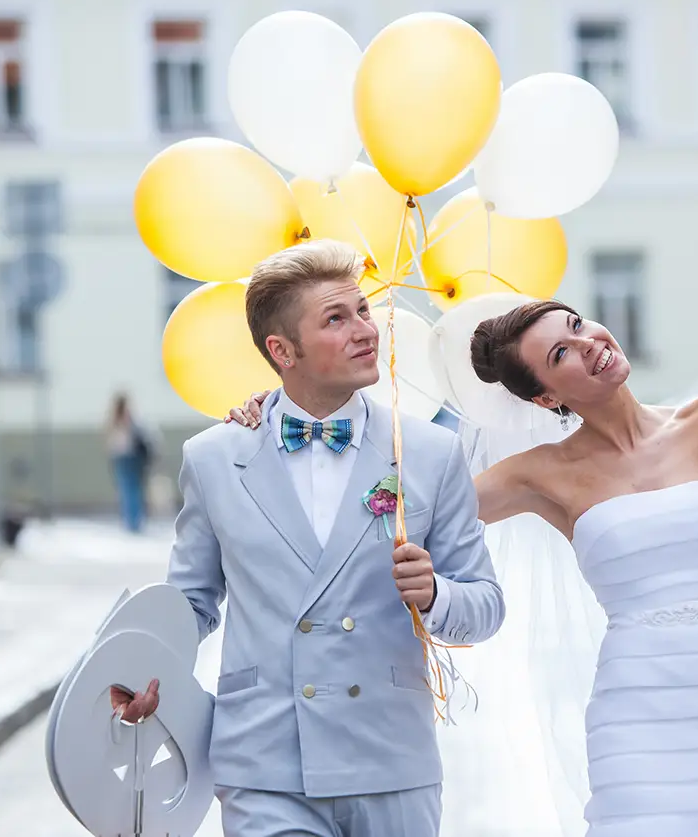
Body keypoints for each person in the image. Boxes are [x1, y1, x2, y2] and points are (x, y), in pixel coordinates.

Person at [228, 157, 698, 835]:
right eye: (561, 353)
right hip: (641, 709)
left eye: (576, 324)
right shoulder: (542, 475)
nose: (589, 342)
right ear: (545, 395)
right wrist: (286, 414)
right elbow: (384, 510)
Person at [111, 239, 506, 837]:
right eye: (335, 319)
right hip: (263, 762)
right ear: (281, 349)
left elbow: (486, 605)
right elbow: (190, 602)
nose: (364, 330)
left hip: (390, 759)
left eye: (363, 312)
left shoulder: (429, 453)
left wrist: (434, 595)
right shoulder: (214, 458)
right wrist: (142, 668)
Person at [106, 392, 153, 533]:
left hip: (123, 457)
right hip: (130, 456)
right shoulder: (130, 418)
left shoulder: (114, 418)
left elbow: (110, 440)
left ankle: (131, 520)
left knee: (127, 489)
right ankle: (134, 521)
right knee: (133, 489)